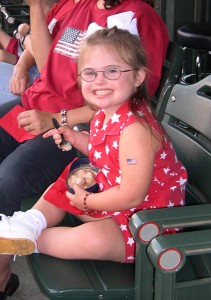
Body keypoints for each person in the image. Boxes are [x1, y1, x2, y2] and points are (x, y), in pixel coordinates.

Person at [0, 27, 187, 299]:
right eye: (89, 73)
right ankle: (30, 221)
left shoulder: (136, 130)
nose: (99, 81)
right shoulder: (104, 113)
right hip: (111, 197)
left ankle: (29, 239)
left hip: (144, 222)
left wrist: (87, 203)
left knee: (94, 239)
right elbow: (103, 152)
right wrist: (76, 138)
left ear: (138, 77)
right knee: (72, 177)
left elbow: (132, 194)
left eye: (112, 71)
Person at [0, 0, 169, 217]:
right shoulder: (78, 5)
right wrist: (36, 7)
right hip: (35, 106)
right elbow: (47, 69)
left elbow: (133, 100)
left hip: (79, 128)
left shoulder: (136, 15)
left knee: (7, 181)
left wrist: (56, 119)